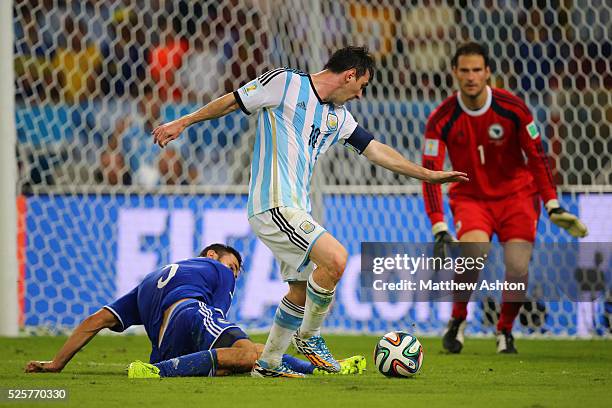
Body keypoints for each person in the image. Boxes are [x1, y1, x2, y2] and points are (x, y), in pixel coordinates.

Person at [153, 46, 468, 377]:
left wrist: (428, 174)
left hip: (294, 207)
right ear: (350, 75)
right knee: (335, 260)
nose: (361, 95)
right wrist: (183, 122)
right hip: (273, 202)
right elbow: (233, 100)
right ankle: (310, 336)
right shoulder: (285, 83)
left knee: (300, 292)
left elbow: (377, 151)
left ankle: (269, 363)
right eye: (362, 85)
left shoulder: (339, 117)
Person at [421, 42, 588, 354]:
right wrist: (438, 224)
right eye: (465, 71)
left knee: (517, 262)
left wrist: (551, 202)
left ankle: (505, 330)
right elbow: (430, 172)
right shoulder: (441, 118)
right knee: (473, 251)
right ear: (455, 73)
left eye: (477, 70)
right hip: (471, 197)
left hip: (517, 195)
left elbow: (538, 157)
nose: (471, 77)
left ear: (488, 73)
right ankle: (457, 321)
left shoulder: (513, 108)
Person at [25, 244, 365, 378]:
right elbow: (216, 319)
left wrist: (57, 363)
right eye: (235, 267)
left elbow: (95, 321)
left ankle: (322, 370)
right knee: (248, 354)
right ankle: (158, 373)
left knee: (249, 357)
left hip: (165, 345)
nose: (235, 274)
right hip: (191, 313)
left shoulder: (148, 282)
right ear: (212, 255)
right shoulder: (216, 269)